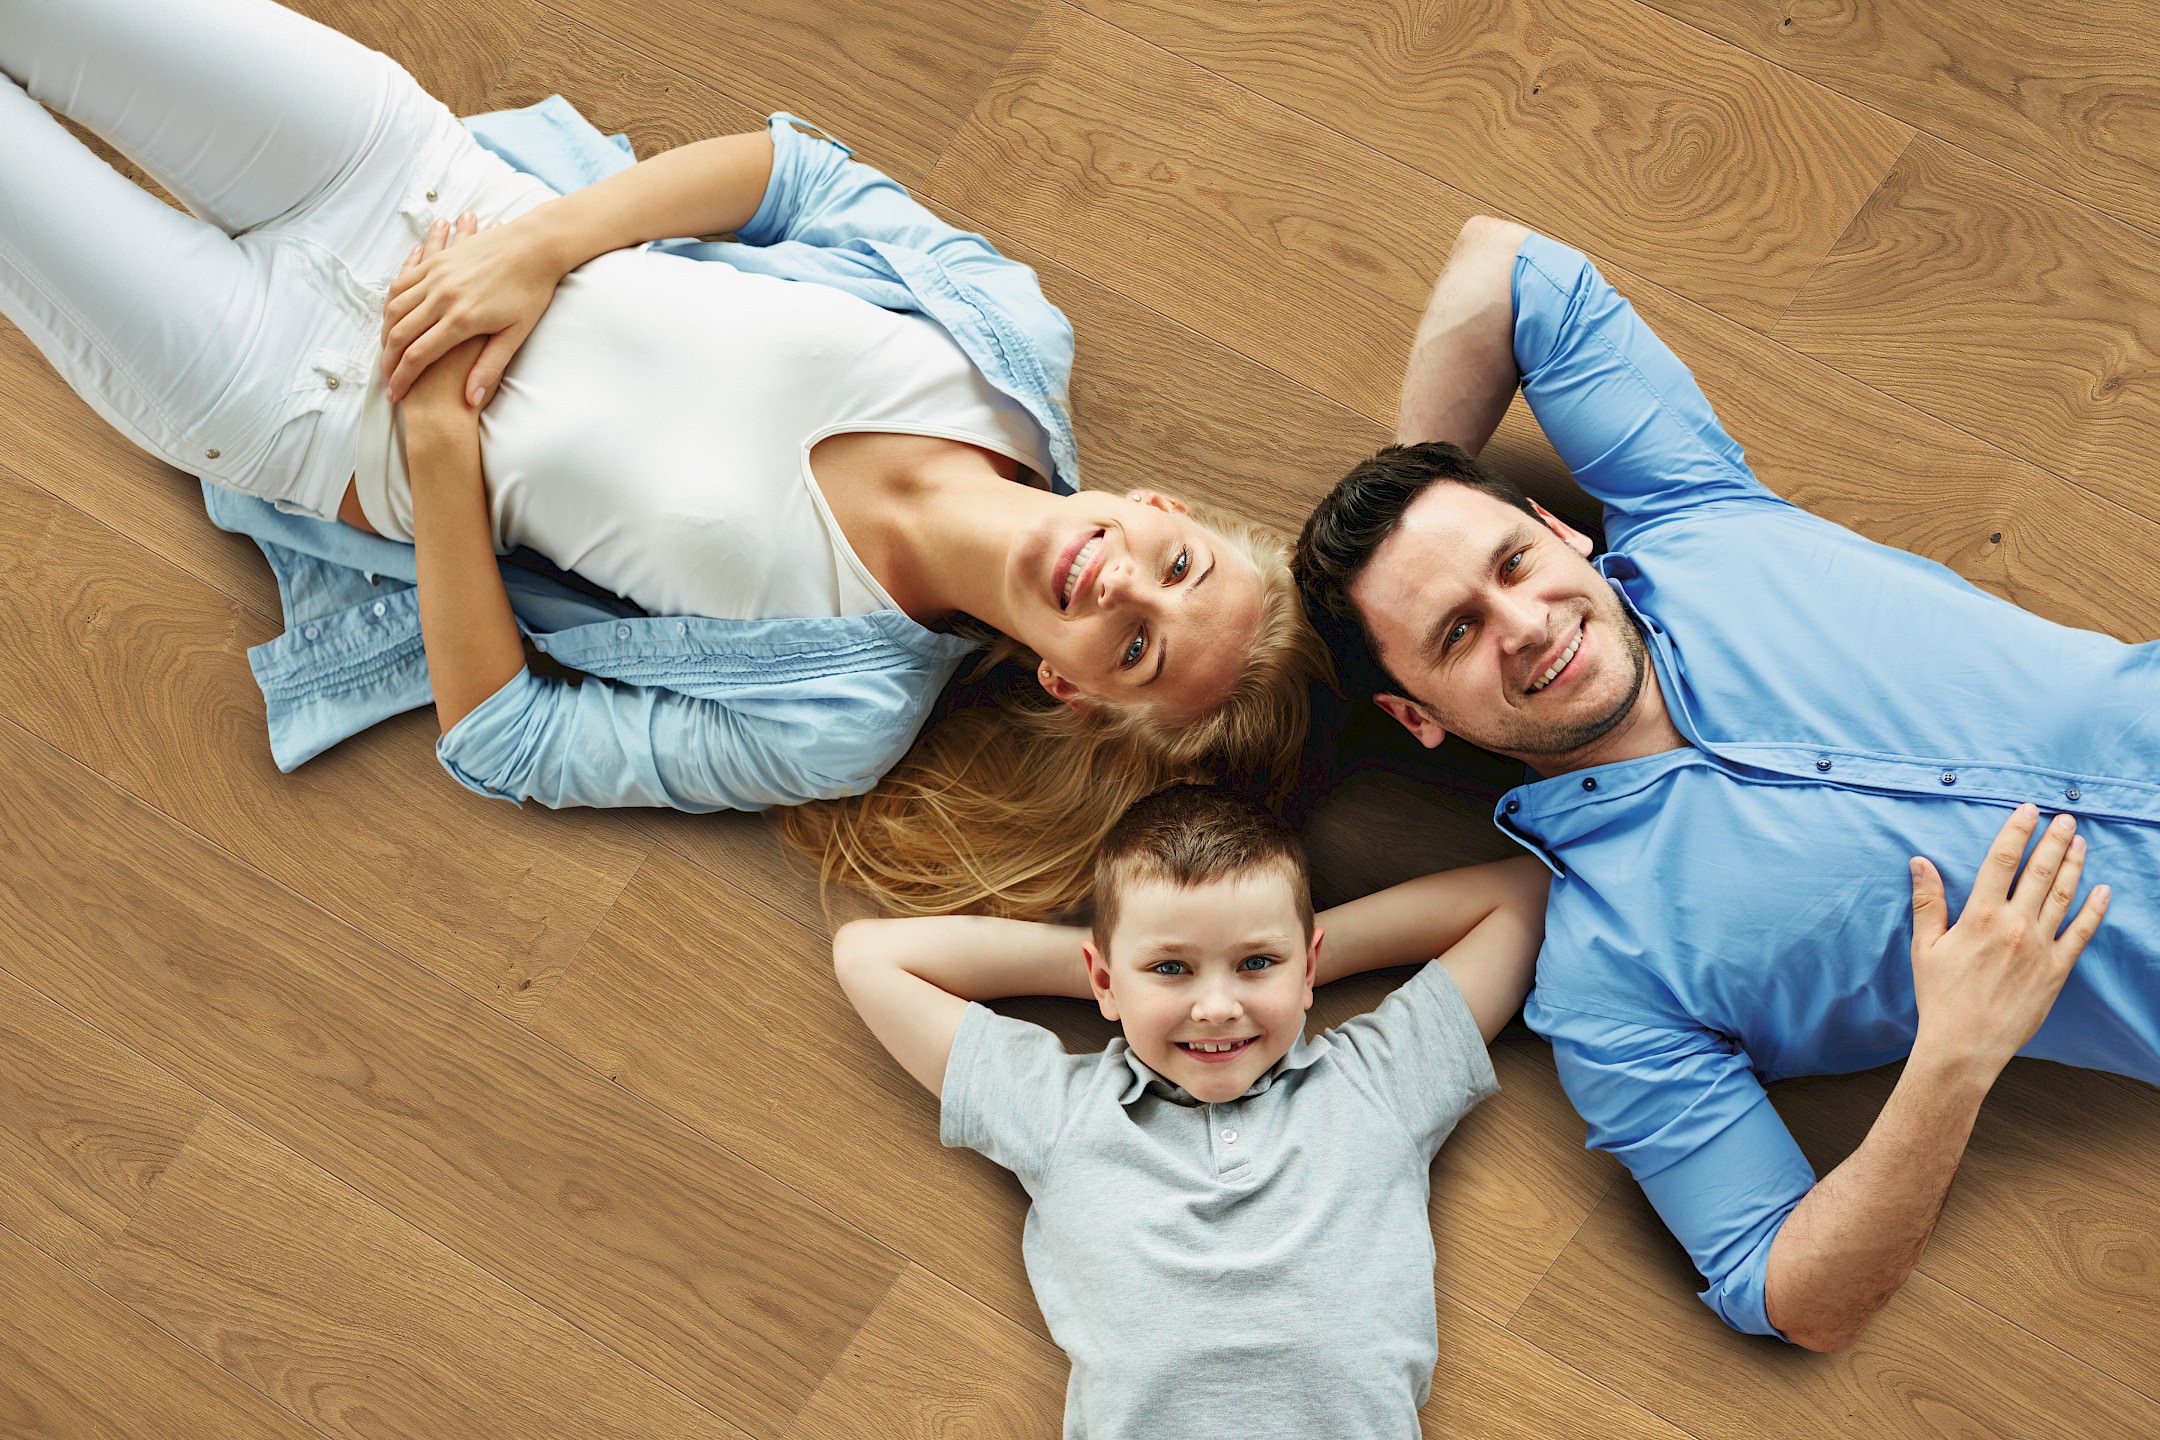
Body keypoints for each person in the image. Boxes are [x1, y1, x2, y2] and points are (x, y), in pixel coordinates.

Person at [0, 0, 1327, 916]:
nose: (1123, 586)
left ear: (1076, 687)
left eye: (1139, 648)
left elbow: (506, 739)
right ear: (1159, 508)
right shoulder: (1004, 339)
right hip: (404, 177)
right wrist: (538, 247)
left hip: (296, 395)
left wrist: (443, 454)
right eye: (1177, 564)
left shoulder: (837, 720)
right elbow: (795, 175)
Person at [1293, 215, 2143, 1351]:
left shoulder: (1694, 510)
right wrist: (1954, 1060)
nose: (1524, 624)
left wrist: (1408, 494)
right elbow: (1785, 1288)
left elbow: (1504, 266)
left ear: (1559, 529)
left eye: (1511, 564)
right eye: (1453, 634)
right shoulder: (1608, 984)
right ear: (1414, 718)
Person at [834, 784, 1547, 1437]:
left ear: (1309, 965)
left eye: (1254, 963)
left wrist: (1281, 964)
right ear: (1103, 980)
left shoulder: (1380, 1081)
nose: (1215, 1007)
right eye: (1173, 968)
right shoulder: (1063, 1112)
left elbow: (1524, 894)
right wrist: (1122, 973)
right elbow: (868, 957)